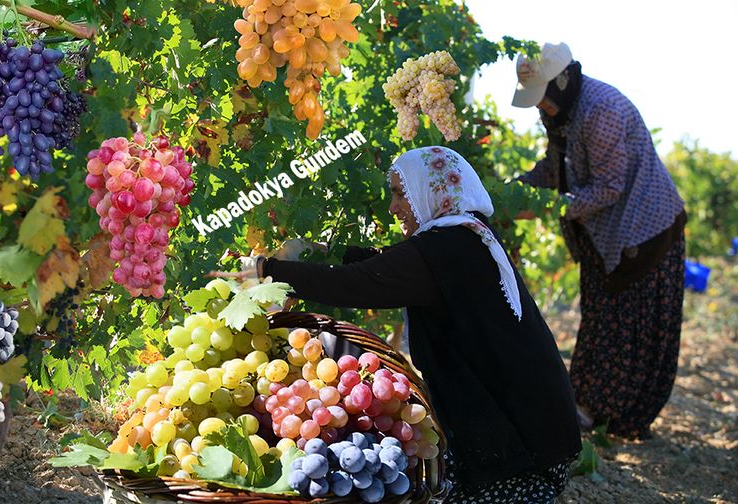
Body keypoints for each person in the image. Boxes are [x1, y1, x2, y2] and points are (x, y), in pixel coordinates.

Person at [234, 146, 582, 503]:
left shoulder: (448, 247)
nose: (393, 206)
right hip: (537, 427)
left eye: (401, 193)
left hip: (524, 446)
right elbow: (385, 267)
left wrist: (269, 270)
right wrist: (322, 252)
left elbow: (364, 282)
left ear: (431, 190)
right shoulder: (463, 237)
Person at [511, 42, 687, 439]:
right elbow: (552, 168)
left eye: (542, 99)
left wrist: (544, 207)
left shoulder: (599, 110)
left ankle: (606, 416)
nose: (540, 108)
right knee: (601, 322)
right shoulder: (564, 112)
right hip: (604, 236)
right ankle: (587, 407)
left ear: (562, 82)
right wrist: (513, 193)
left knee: (627, 330)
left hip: (643, 233)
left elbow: (609, 188)